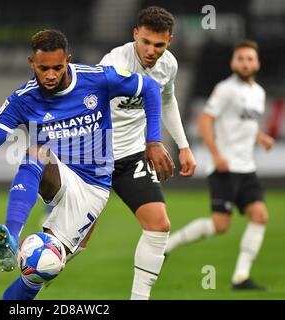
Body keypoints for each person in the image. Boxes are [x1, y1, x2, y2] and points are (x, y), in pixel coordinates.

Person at [0, 29, 174, 300]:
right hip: (58, 172)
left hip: (92, 187)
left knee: (38, 270)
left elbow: (150, 88)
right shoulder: (22, 99)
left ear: (68, 60)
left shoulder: (97, 79)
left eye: (57, 68)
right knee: (35, 152)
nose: (50, 75)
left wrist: (153, 141)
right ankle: (11, 238)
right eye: (43, 68)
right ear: (32, 64)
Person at [79, 6, 197, 300]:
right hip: (97, 157)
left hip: (132, 156)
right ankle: (30, 266)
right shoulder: (115, 62)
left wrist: (183, 146)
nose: (151, 50)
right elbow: (89, 106)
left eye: (159, 44)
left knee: (159, 225)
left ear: (168, 41)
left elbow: (168, 102)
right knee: (74, 244)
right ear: (135, 35)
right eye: (145, 42)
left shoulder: (168, 65)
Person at [165, 40, 274, 290]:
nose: (245, 63)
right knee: (220, 225)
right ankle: (170, 244)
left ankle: (241, 277)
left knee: (260, 216)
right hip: (225, 170)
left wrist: (261, 137)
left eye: (249, 59)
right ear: (233, 62)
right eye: (240, 58)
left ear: (257, 63)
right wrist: (216, 155)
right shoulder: (225, 89)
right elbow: (205, 121)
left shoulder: (259, 92)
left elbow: (248, 122)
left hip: (247, 169)